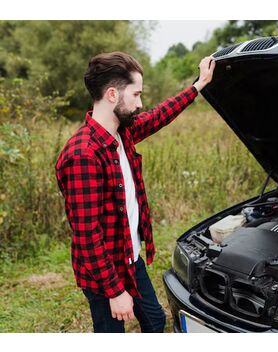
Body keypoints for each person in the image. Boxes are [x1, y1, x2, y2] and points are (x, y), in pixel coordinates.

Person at [55, 51, 215, 333]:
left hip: (130, 257)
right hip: (103, 272)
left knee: (154, 320)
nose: (141, 104)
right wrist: (115, 292)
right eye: (137, 94)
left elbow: (159, 115)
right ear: (113, 95)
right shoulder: (84, 154)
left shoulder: (121, 132)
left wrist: (198, 85)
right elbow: (87, 235)